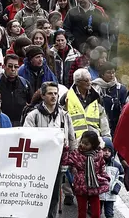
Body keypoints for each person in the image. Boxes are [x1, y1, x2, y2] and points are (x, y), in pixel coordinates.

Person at [24, 81, 77, 218]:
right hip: (38, 163)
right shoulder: (33, 116)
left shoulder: (65, 115)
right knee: (37, 195)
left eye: (55, 93)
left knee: (54, 196)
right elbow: (26, 138)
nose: (53, 96)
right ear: (42, 96)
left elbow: (72, 138)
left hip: (58, 162)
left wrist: (74, 160)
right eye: (50, 93)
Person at [62, 130, 109, 218]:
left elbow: (102, 168)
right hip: (80, 187)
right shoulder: (76, 154)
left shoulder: (98, 155)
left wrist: (105, 179)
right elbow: (65, 161)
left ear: (93, 145)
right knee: (81, 213)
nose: (83, 145)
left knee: (96, 214)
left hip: (94, 186)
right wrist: (65, 149)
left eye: (86, 144)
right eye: (82, 142)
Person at [60, 68, 111, 140]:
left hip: (94, 140)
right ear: (77, 82)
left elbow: (103, 118)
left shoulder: (96, 97)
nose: (90, 83)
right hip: (75, 140)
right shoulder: (66, 97)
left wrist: (106, 137)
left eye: (90, 80)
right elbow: (61, 119)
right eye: (86, 81)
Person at [0, 53, 32, 127]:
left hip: (21, 124)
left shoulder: (25, 84)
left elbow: (31, 104)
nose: (13, 69)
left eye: (16, 67)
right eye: (10, 66)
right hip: (1, 124)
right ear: (4, 66)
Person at [92, 61, 127, 138]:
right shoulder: (94, 88)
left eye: (113, 72)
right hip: (100, 124)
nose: (112, 75)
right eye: (108, 73)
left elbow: (124, 108)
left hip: (116, 126)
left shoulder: (121, 89)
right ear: (102, 74)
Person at [99, 138, 124, 218]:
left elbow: (121, 176)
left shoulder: (117, 166)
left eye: (109, 151)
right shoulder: (97, 163)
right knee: (96, 213)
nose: (107, 152)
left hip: (110, 194)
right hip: (98, 193)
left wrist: (116, 187)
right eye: (104, 150)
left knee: (109, 214)